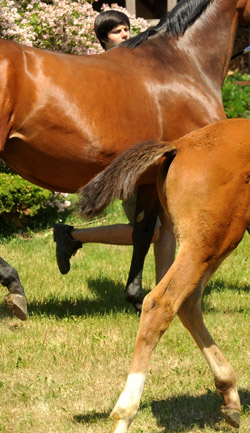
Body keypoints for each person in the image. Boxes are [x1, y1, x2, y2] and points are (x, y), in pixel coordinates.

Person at [54, 11, 166, 276]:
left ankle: (170, 288)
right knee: (152, 232)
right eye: (117, 31)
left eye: (126, 29)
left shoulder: (137, 65)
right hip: (128, 159)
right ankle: (74, 235)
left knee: (166, 226)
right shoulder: (102, 72)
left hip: (151, 154)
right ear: (103, 40)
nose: (125, 34)